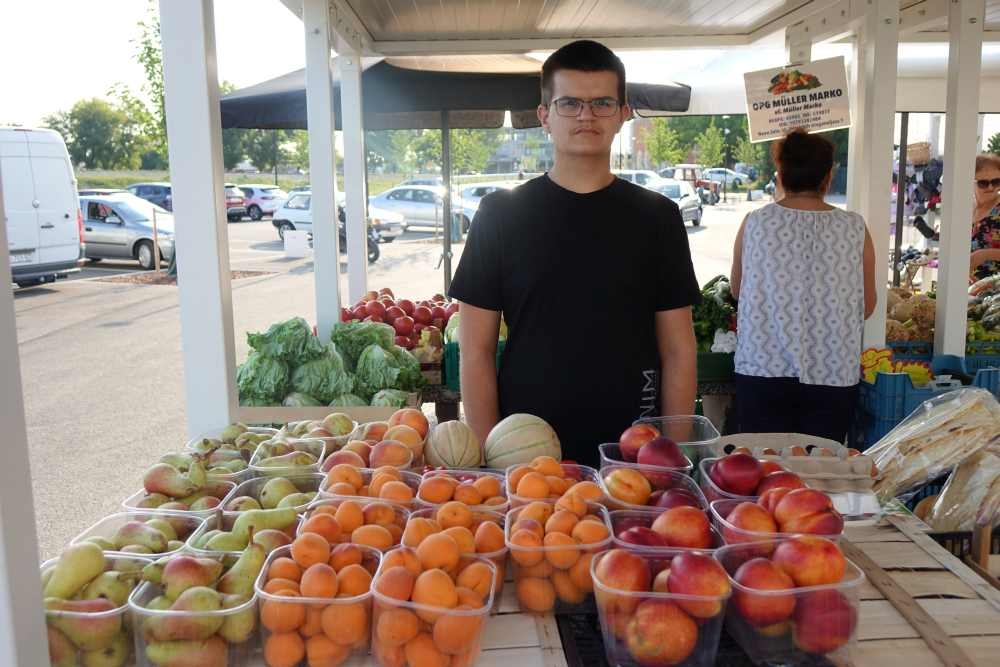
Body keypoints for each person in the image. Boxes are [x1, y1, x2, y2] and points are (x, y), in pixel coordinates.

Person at [448, 40, 700, 467]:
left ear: (623, 113)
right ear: (544, 116)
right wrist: (487, 458)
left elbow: (678, 349)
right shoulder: (499, 214)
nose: (586, 115)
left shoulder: (658, 217)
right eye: (570, 103)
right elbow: (475, 351)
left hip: (633, 452)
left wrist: (671, 458)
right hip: (526, 456)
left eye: (602, 102)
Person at [730, 129, 876, 443]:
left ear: (781, 173)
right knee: (821, 476)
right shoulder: (854, 227)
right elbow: (867, 305)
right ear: (828, 175)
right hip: (834, 372)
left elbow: (737, 290)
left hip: (761, 369)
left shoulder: (755, 223)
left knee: (762, 475)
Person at [969, 153, 1000, 280]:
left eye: (996, 181)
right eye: (983, 183)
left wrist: (986, 254)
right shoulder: (965, 208)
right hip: (967, 290)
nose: (991, 187)